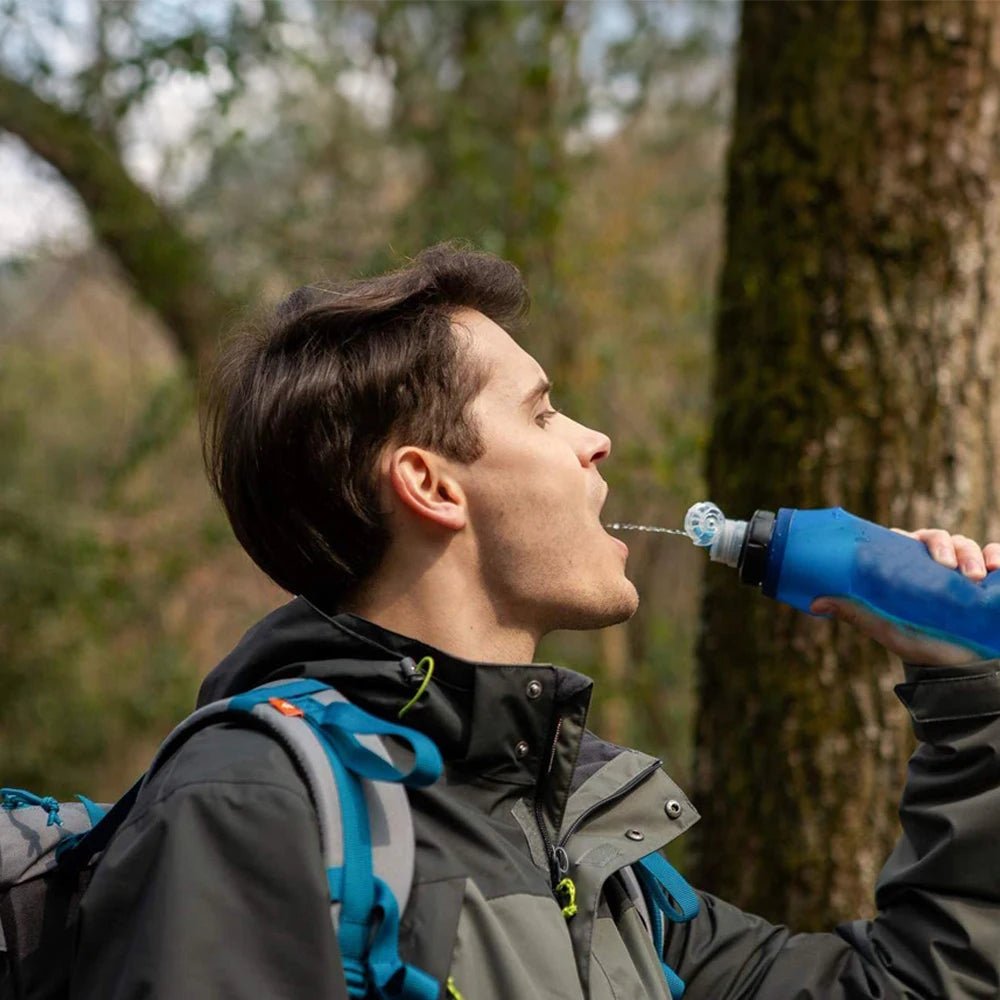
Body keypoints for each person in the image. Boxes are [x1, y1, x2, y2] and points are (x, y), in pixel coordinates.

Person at [74, 245, 1000, 999]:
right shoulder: (250, 808)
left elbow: (914, 988)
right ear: (430, 484)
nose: (595, 440)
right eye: (544, 412)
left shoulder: (599, 869)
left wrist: (967, 692)